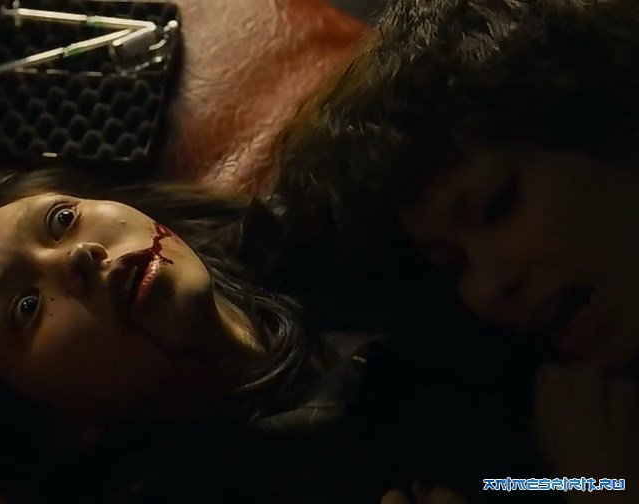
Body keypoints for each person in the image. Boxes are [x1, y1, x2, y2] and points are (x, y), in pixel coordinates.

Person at [0, 166, 553, 503]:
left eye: (61, 221)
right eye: (26, 306)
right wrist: (583, 481)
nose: (79, 256)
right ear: (58, 425)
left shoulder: (319, 229)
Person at [272, 0, 639, 499]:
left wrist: (602, 483)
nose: (488, 290)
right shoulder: (546, 403)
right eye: (453, 264)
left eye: (497, 206)